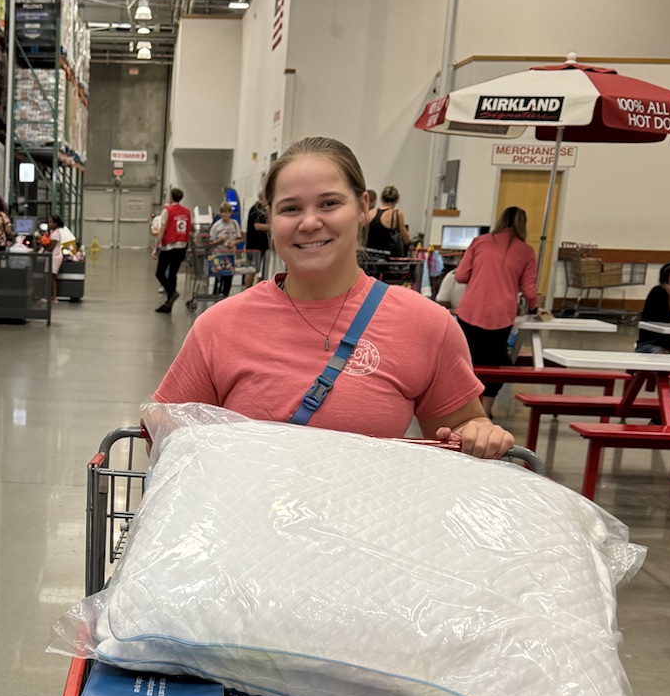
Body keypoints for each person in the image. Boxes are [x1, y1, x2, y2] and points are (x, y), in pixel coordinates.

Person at [154, 135, 513, 459]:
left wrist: (479, 433)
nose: (310, 223)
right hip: (250, 514)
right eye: (290, 208)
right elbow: (167, 435)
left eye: (329, 203)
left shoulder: (425, 325)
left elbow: (460, 428)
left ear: (362, 207)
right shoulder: (220, 326)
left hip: (371, 513)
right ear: (270, 219)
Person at [453, 207, 544, 409]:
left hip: (470, 311)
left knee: (467, 362)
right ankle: (486, 410)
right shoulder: (526, 251)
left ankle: (466, 409)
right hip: (501, 316)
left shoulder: (479, 242)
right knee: (496, 364)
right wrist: (533, 308)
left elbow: (460, 275)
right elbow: (530, 291)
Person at [155, 187, 192, 312]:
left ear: (171, 197)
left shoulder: (167, 211)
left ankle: (172, 292)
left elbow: (162, 230)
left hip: (169, 246)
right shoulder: (187, 212)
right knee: (173, 273)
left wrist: (156, 246)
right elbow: (189, 229)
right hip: (182, 247)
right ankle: (169, 304)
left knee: (160, 273)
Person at [364, 185, 410, 256]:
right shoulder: (396, 214)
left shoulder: (370, 213)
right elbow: (406, 239)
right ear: (396, 200)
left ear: (381, 199)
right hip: (388, 258)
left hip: (370, 256)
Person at [244, 194, 270, 277]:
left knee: (258, 269)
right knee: (252, 269)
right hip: (255, 246)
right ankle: (248, 284)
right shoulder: (257, 209)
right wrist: (273, 227)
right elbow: (257, 226)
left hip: (261, 245)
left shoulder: (262, 209)